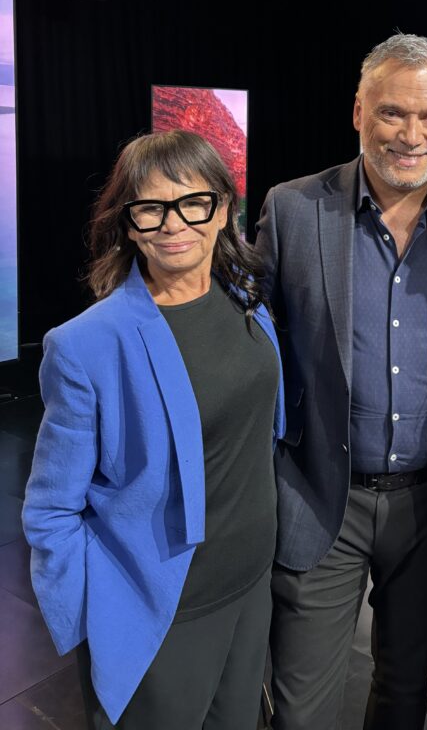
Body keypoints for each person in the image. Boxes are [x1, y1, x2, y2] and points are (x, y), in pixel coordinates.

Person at [254, 33, 427, 730]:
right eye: (393, 112)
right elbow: (251, 343)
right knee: (299, 712)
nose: (412, 135)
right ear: (358, 110)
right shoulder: (292, 210)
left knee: (403, 695)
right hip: (317, 498)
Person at [22, 130, 285, 729]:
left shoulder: (246, 300)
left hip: (249, 585)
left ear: (223, 210)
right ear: (129, 223)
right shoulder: (86, 344)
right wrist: (98, 620)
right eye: (151, 208)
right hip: (163, 607)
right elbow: (50, 511)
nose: (174, 224)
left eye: (193, 203)